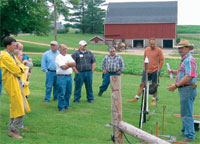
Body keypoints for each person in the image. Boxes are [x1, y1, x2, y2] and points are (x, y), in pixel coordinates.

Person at [0, 37, 31, 139]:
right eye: (14, 45)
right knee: (19, 108)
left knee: (18, 107)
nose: (15, 47)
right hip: (12, 84)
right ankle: (13, 130)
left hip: (17, 82)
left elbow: (19, 66)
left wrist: (21, 67)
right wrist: (22, 67)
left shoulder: (11, 55)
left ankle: (13, 129)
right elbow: (17, 70)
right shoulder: (5, 56)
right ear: (8, 45)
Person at [168, 40, 198, 142]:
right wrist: (173, 72)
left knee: (187, 112)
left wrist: (176, 85)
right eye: (179, 48)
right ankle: (185, 132)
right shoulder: (186, 60)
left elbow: (189, 76)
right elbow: (184, 72)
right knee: (185, 111)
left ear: (188, 48)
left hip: (187, 88)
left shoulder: (189, 60)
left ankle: (189, 136)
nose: (180, 50)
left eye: (182, 48)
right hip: (187, 89)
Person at [127, 39, 164, 105]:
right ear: (149, 43)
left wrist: (159, 69)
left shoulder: (159, 50)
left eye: (153, 44)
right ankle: (136, 98)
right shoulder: (146, 49)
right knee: (142, 84)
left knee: (154, 85)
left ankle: (154, 100)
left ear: (156, 43)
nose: (152, 45)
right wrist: (144, 68)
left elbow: (162, 60)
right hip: (146, 70)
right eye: (151, 44)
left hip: (155, 70)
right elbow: (144, 59)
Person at [55, 44, 76, 112]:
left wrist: (67, 64)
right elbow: (63, 67)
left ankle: (66, 105)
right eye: (64, 49)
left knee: (68, 92)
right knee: (62, 93)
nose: (65, 50)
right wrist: (69, 64)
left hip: (69, 76)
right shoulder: (58, 57)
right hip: (61, 77)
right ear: (60, 50)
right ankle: (61, 107)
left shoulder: (68, 56)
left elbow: (74, 63)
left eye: (66, 49)